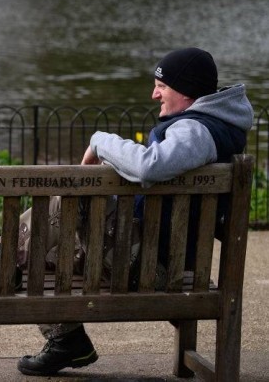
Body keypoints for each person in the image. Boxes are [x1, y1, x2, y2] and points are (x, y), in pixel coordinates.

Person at [16, 47, 254, 376]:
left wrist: (100, 140)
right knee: (48, 244)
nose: (154, 93)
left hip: (153, 272)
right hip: (153, 260)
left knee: (61, 202)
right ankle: (58, 331)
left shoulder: (196, 131)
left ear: (185, 92)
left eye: (162, 86)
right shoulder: (211, 128)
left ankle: (5, 275)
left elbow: (148, 165)